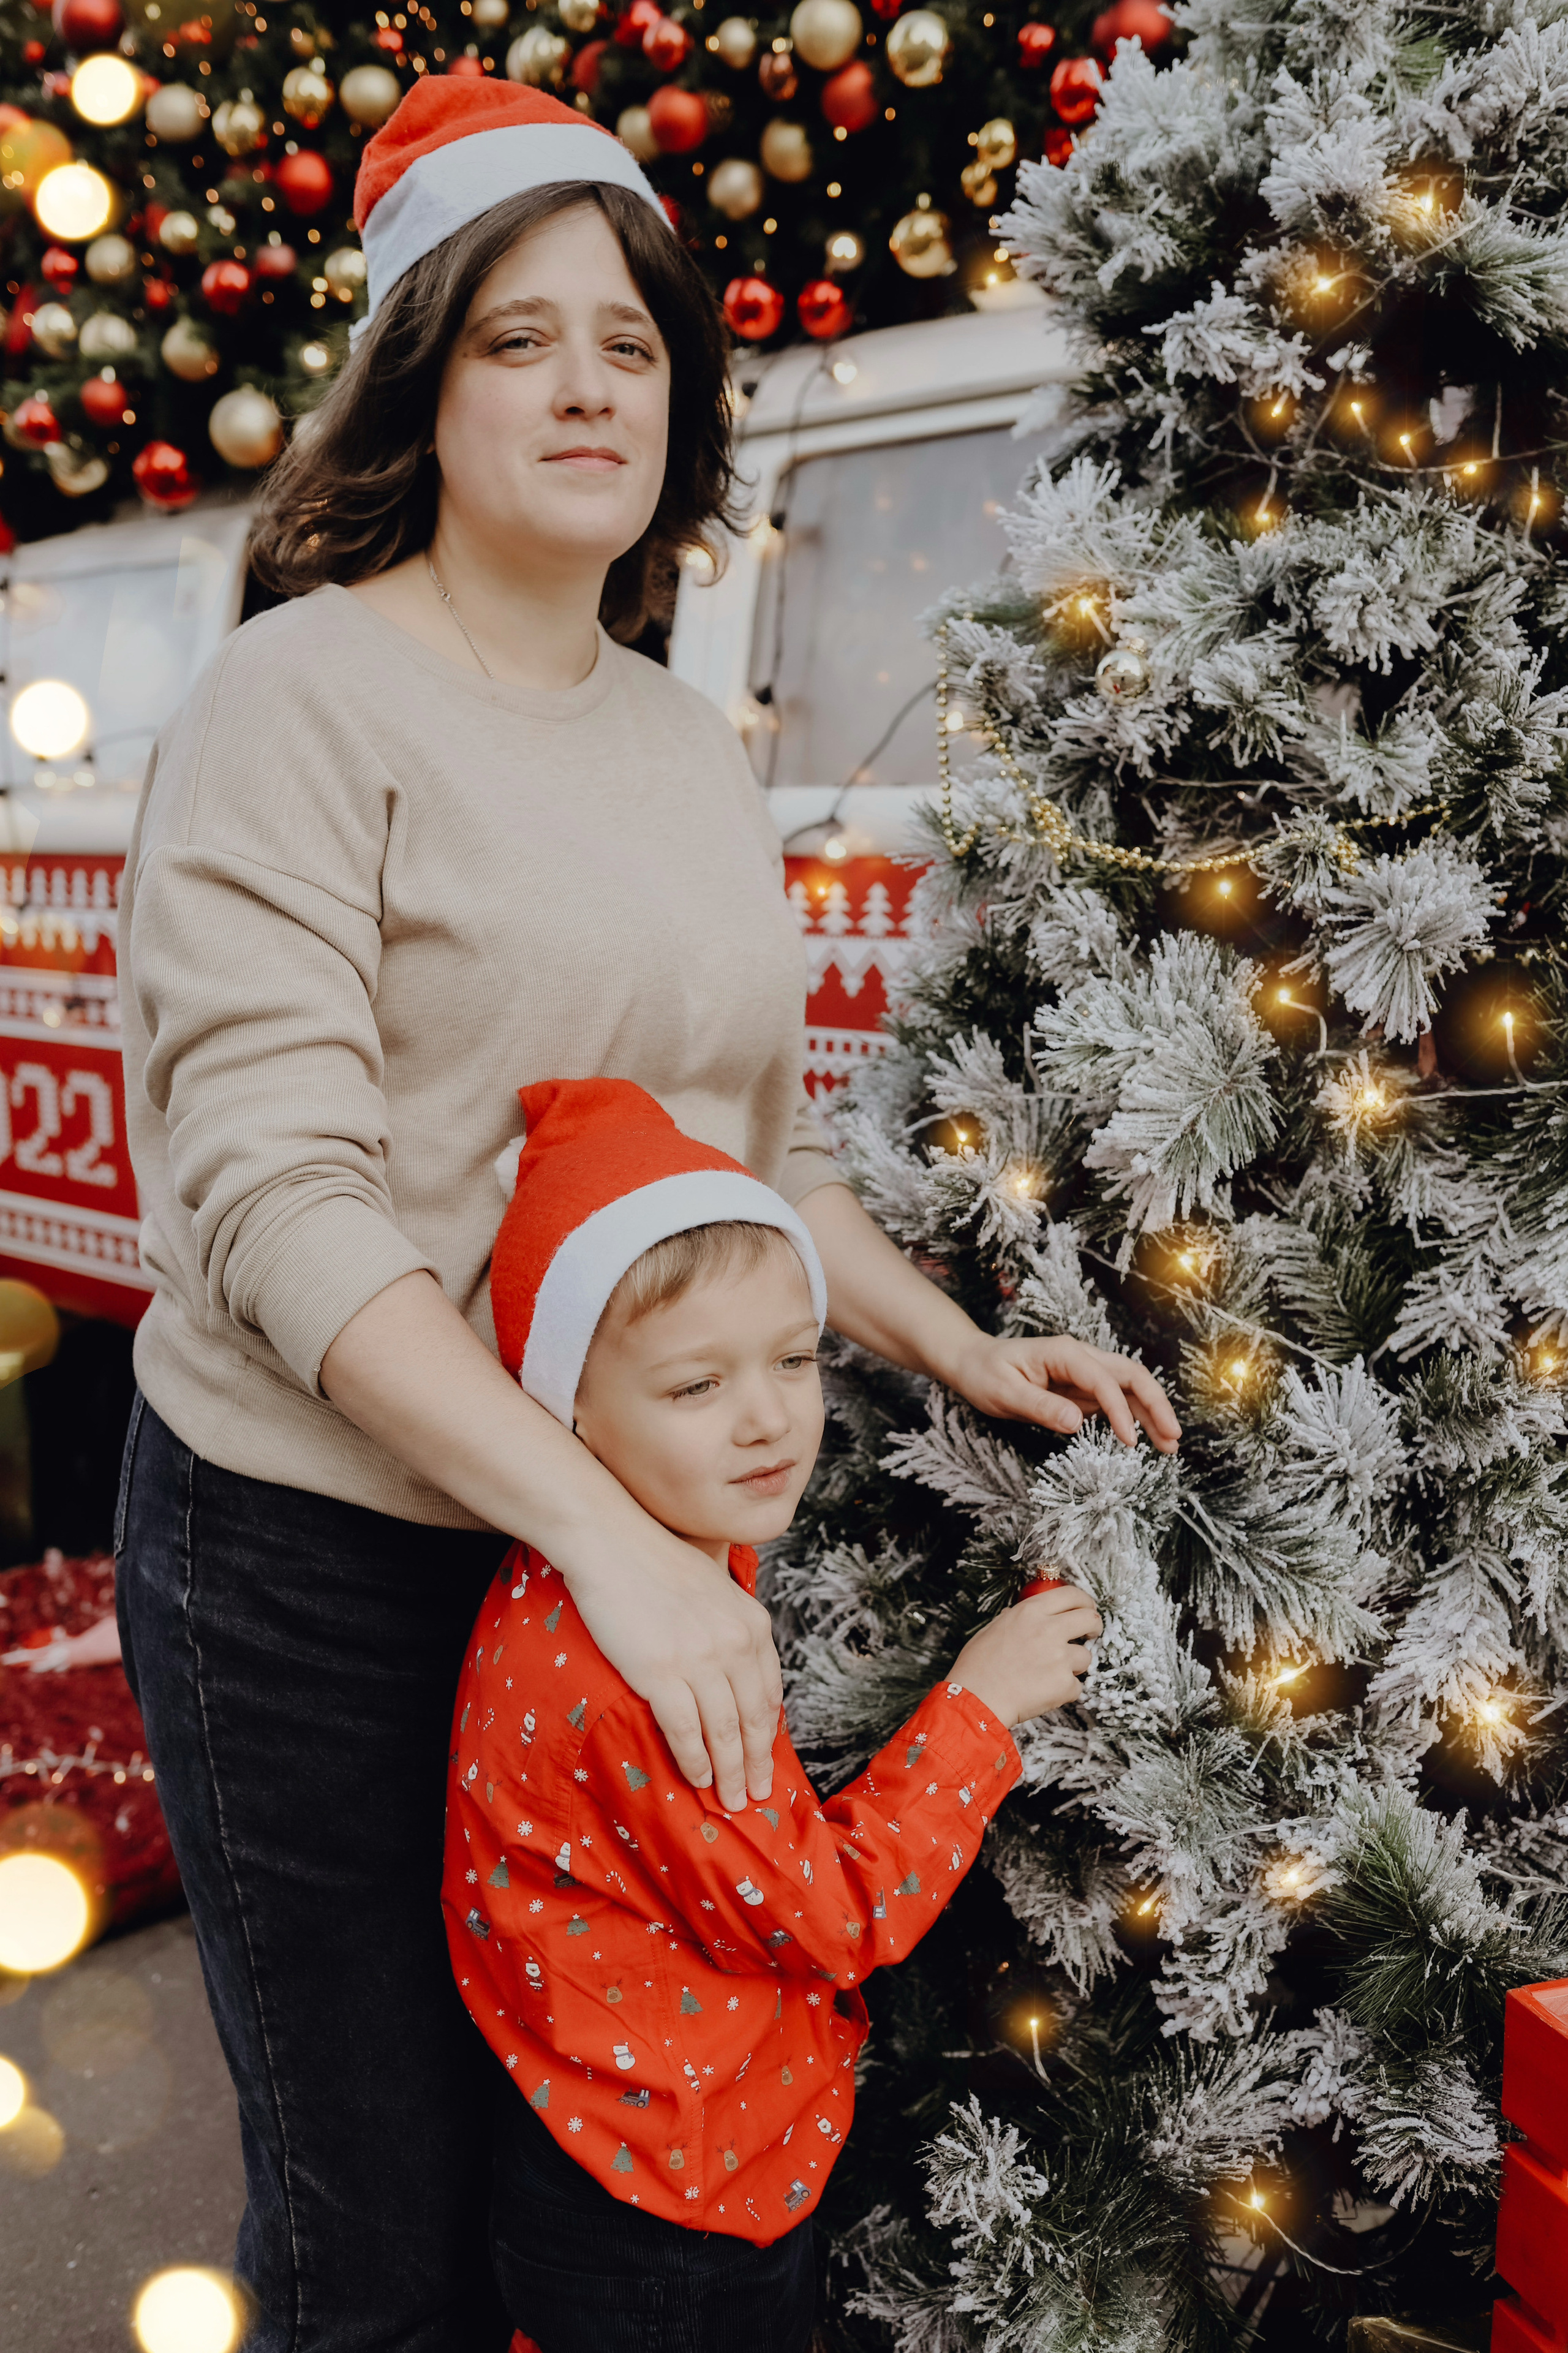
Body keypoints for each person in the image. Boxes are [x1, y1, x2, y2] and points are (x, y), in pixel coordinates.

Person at [115, 74, 1180, 2353]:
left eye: (629, 339)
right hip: (322, 1560)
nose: (589, 383)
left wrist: (949, 1342)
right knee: (374, 2233)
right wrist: (605, 1539)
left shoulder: (680, 745)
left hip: (580, 1577)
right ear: (422, 373)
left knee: (578, 2210)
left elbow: (743, 1158)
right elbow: (279, 1208)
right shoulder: (291, 704)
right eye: (518, 338)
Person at [446, 1080, 1106, 2353]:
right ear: (562, 1409)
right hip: (668, 2214)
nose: (768, 1418)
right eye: (695, 1386)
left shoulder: (620, 1559)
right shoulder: (651, 1665)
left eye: (795, 1357)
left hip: (595, 2160)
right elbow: (832, 1913)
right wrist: (980, 1701)